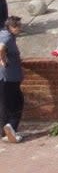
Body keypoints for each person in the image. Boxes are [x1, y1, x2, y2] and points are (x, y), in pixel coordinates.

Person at [0, 15, 24, 143]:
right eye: (17, 26)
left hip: (5, 78)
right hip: (8, 78)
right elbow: (1, 48)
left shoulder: (4, 34)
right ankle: (11, 128)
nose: (19, 28)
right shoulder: (7, 36)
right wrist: (3, 60)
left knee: (4, 105)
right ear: (10, 27)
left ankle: (5, 133)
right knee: (17, 103)